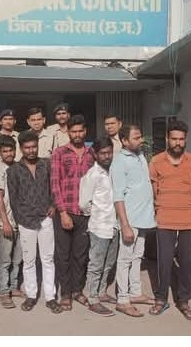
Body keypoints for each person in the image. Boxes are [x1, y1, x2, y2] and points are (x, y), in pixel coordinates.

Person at [148, 119, 191, 320]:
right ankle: (161, 298)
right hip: (165, 218)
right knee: (164, 261)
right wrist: (165, 204)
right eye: (174, 139)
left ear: (185, 139)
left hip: (188, 219)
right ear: (167, 139)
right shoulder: (156, 161)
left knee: (187, 262)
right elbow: (154, 190)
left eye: (181, 139)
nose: (178, 143)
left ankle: (184, 300)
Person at [6, 130, 62, 314]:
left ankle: (50, 297)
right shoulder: (14, 170)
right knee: (29, 260)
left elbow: (54, 188)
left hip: (46, 218)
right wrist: (21, 219)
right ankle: (31, 295)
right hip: (26, 221)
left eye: (34, 147)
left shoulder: (46, 165)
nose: (31, 151)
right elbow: (13, 198)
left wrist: (53, 206)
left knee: (48, 259)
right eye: (27, 148)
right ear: (21, 149)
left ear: (38, 146)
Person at [110, 124, 156, 318]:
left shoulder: (140, 156)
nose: (141, 140)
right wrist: (125, 225)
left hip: (144, 218)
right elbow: (118, 196)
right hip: (130, 220)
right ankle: (122, 299)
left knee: (137, 257)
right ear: (124, 141)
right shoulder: (119, 162)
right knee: (125, 259)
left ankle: (135, 292)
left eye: (140, 136)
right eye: (136, 138)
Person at [50, 114, 95, 311]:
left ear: (85, 131)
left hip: (85, 213)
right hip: (65, 211)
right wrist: (62, 212)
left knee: (81, 255)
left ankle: (77, 290)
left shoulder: (92, 153)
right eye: (73, 131)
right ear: (68, 132)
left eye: (80, 131)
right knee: (63, 255)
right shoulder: (59, 153)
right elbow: (55, 184)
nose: (77, 134)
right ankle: (66, 293)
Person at [79, 137, 118, 317]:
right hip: (99, 227)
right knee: (96, 263)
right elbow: (83, 204)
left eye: (109, 152)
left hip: (114, 225)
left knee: (109, 263)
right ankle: (92, 298)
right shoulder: (92, 175)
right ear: (95, 154)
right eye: (103, 153)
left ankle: (102, 292)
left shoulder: (113, 172)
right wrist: (97, 215)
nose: (107, 156)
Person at [0, 135, 24, 308]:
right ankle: (3, 291)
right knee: (5, 259)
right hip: (7, 221)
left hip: (20, 221)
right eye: (5, 151)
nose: (9, 154)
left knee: (17, 258)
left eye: (11, 150)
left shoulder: (18, 167)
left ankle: (13, 286)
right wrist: (5, 222)